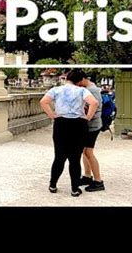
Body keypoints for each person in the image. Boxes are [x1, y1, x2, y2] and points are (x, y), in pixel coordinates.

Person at [40, 69, 99, 197]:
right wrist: (87, 117)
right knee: (75, 159)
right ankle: (74, 189)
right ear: (78, 81)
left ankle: (53, 185)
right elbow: (94, 103)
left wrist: (53, 115)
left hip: (61, 124)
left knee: (59, 157)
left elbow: (43, 102)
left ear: (67, 78)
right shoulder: (82, 90)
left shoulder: (56, 90)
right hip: (78, 125)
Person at [78, 74, 105, 192]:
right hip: (91, 124)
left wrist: (86, 118)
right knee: (85, 151)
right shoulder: (91, 88)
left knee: (88, 152)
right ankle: (87, 176)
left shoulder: (91, 90)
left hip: (92, 125)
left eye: (77, 82)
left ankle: (98, 181)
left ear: (83, 79)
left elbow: (94, 106)